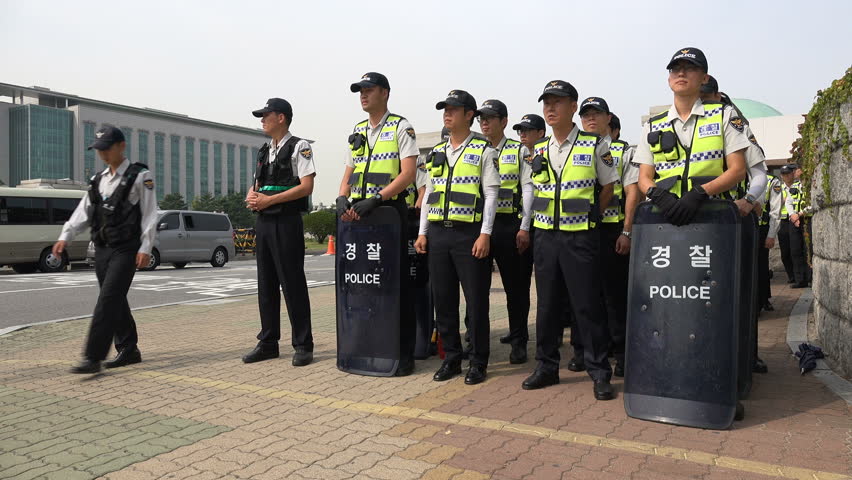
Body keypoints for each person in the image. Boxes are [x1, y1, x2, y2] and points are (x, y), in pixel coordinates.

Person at [519, 80, 618, 401]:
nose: (550, 108)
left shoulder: (593, 145)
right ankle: (547, 367)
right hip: (546, 238)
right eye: (546, 102)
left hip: (580, 238)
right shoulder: (540, 149)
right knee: (547, 306)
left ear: (573, 106)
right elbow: (536, 192)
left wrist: (591, 218)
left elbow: (608, 188)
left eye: (557, 102)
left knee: (587, 305)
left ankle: (600, 372)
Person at [55, 126, 158, 374]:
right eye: (98, 150)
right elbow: (83, 212)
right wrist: (65, 237)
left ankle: (93, 357)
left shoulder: (140, 176)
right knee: (114, 298)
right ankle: (129, 348)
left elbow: (150, 214)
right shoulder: (98, 180)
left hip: (126, 248)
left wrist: (146, 246)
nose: (102, 154)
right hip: (102, 249)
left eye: (106, 149)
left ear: (121, 146)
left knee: (108, 298)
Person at [336, 72, 419, 375]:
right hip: (358, 218)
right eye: (359, 90)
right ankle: (365, 346)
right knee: (361, 284)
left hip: (388, 216)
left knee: (391, 284)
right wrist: (342, 198)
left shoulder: (401, 127)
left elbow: (408, 173)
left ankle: (398, 351)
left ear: (384, 93)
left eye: (368, 90)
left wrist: (379, 198)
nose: (362, 95)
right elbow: (349, 172)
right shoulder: (357, 129)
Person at [415, 89, 499, 385]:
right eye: (445, 109)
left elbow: (491, 194)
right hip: (438, 234)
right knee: (444, 301)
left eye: (453, 109)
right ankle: (451, 357)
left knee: (476, 303)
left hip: (469, 235)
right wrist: (423, 232)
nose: (447, 113)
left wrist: (485, 234)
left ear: (469, 115)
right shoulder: (436, 153)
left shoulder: (484, 151)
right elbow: (428, 196)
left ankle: (478, 361)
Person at [699, 76, 771, 373]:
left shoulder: (735, 124)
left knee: (740, 290)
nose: (700, 101)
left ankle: (747, 355)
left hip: (733, 220)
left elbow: (759, 174)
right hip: (698, 223)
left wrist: (749, 200)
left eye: (705, 96)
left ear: (716, 95)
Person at [242, 98, 315, 366]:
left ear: (281, 118)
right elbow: (256, 185)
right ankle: (268, 342)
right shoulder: (263, 151)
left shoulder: (299, 147)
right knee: (266, 284)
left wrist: (270, 200)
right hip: (264, 222)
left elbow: (306, 187)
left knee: (292, 283)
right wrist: (251, 197)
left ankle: (303, 344)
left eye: (266, 115)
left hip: (286, 221)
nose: (262, 119)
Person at [577, 98, 641, 378]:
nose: (591, 119)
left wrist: (627, 231)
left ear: (608, 119)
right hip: (579, 231)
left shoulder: (623, 152)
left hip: (611, 232)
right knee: (584, 295)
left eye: (597, 114)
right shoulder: (573, 148)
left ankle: (623, 354)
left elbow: (632, 193)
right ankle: (587, 352)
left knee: (615, 297)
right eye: (586, 115)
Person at [477, 100, 534, 364]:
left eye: (490, 118)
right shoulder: (474, 150)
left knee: (516, 287)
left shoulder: (519, 151)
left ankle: (519, 340)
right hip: (480, 229)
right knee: (477, 287)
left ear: (504, 121)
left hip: (510, 226)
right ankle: (475, 340)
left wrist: (524, 227)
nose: (484, 122)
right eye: (481, 118)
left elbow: (529, 189)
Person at [787, 165, 812, 288]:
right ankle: (800, 280)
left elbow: (813, 203)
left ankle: (810, 278)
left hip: (807, 219)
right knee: (795, 250)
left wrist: (799, 214)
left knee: (808, 249)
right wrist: (792, 215)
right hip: (795, 221)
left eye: (796, 169)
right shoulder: (794, 186)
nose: (794, 172)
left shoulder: (811, 185)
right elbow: (789, 202)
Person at [777, 164, 798, 284]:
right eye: (784, 174)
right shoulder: (778, 188)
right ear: (781, 176)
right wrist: (782, 201)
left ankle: (799, 275)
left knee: (796, 249)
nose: (787, 176)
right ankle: (791, 276)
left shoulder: (798, 186)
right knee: (785, 252)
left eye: (788, 173)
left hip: (795, 219)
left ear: (793, 174)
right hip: (783, 221)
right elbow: (774, 203)